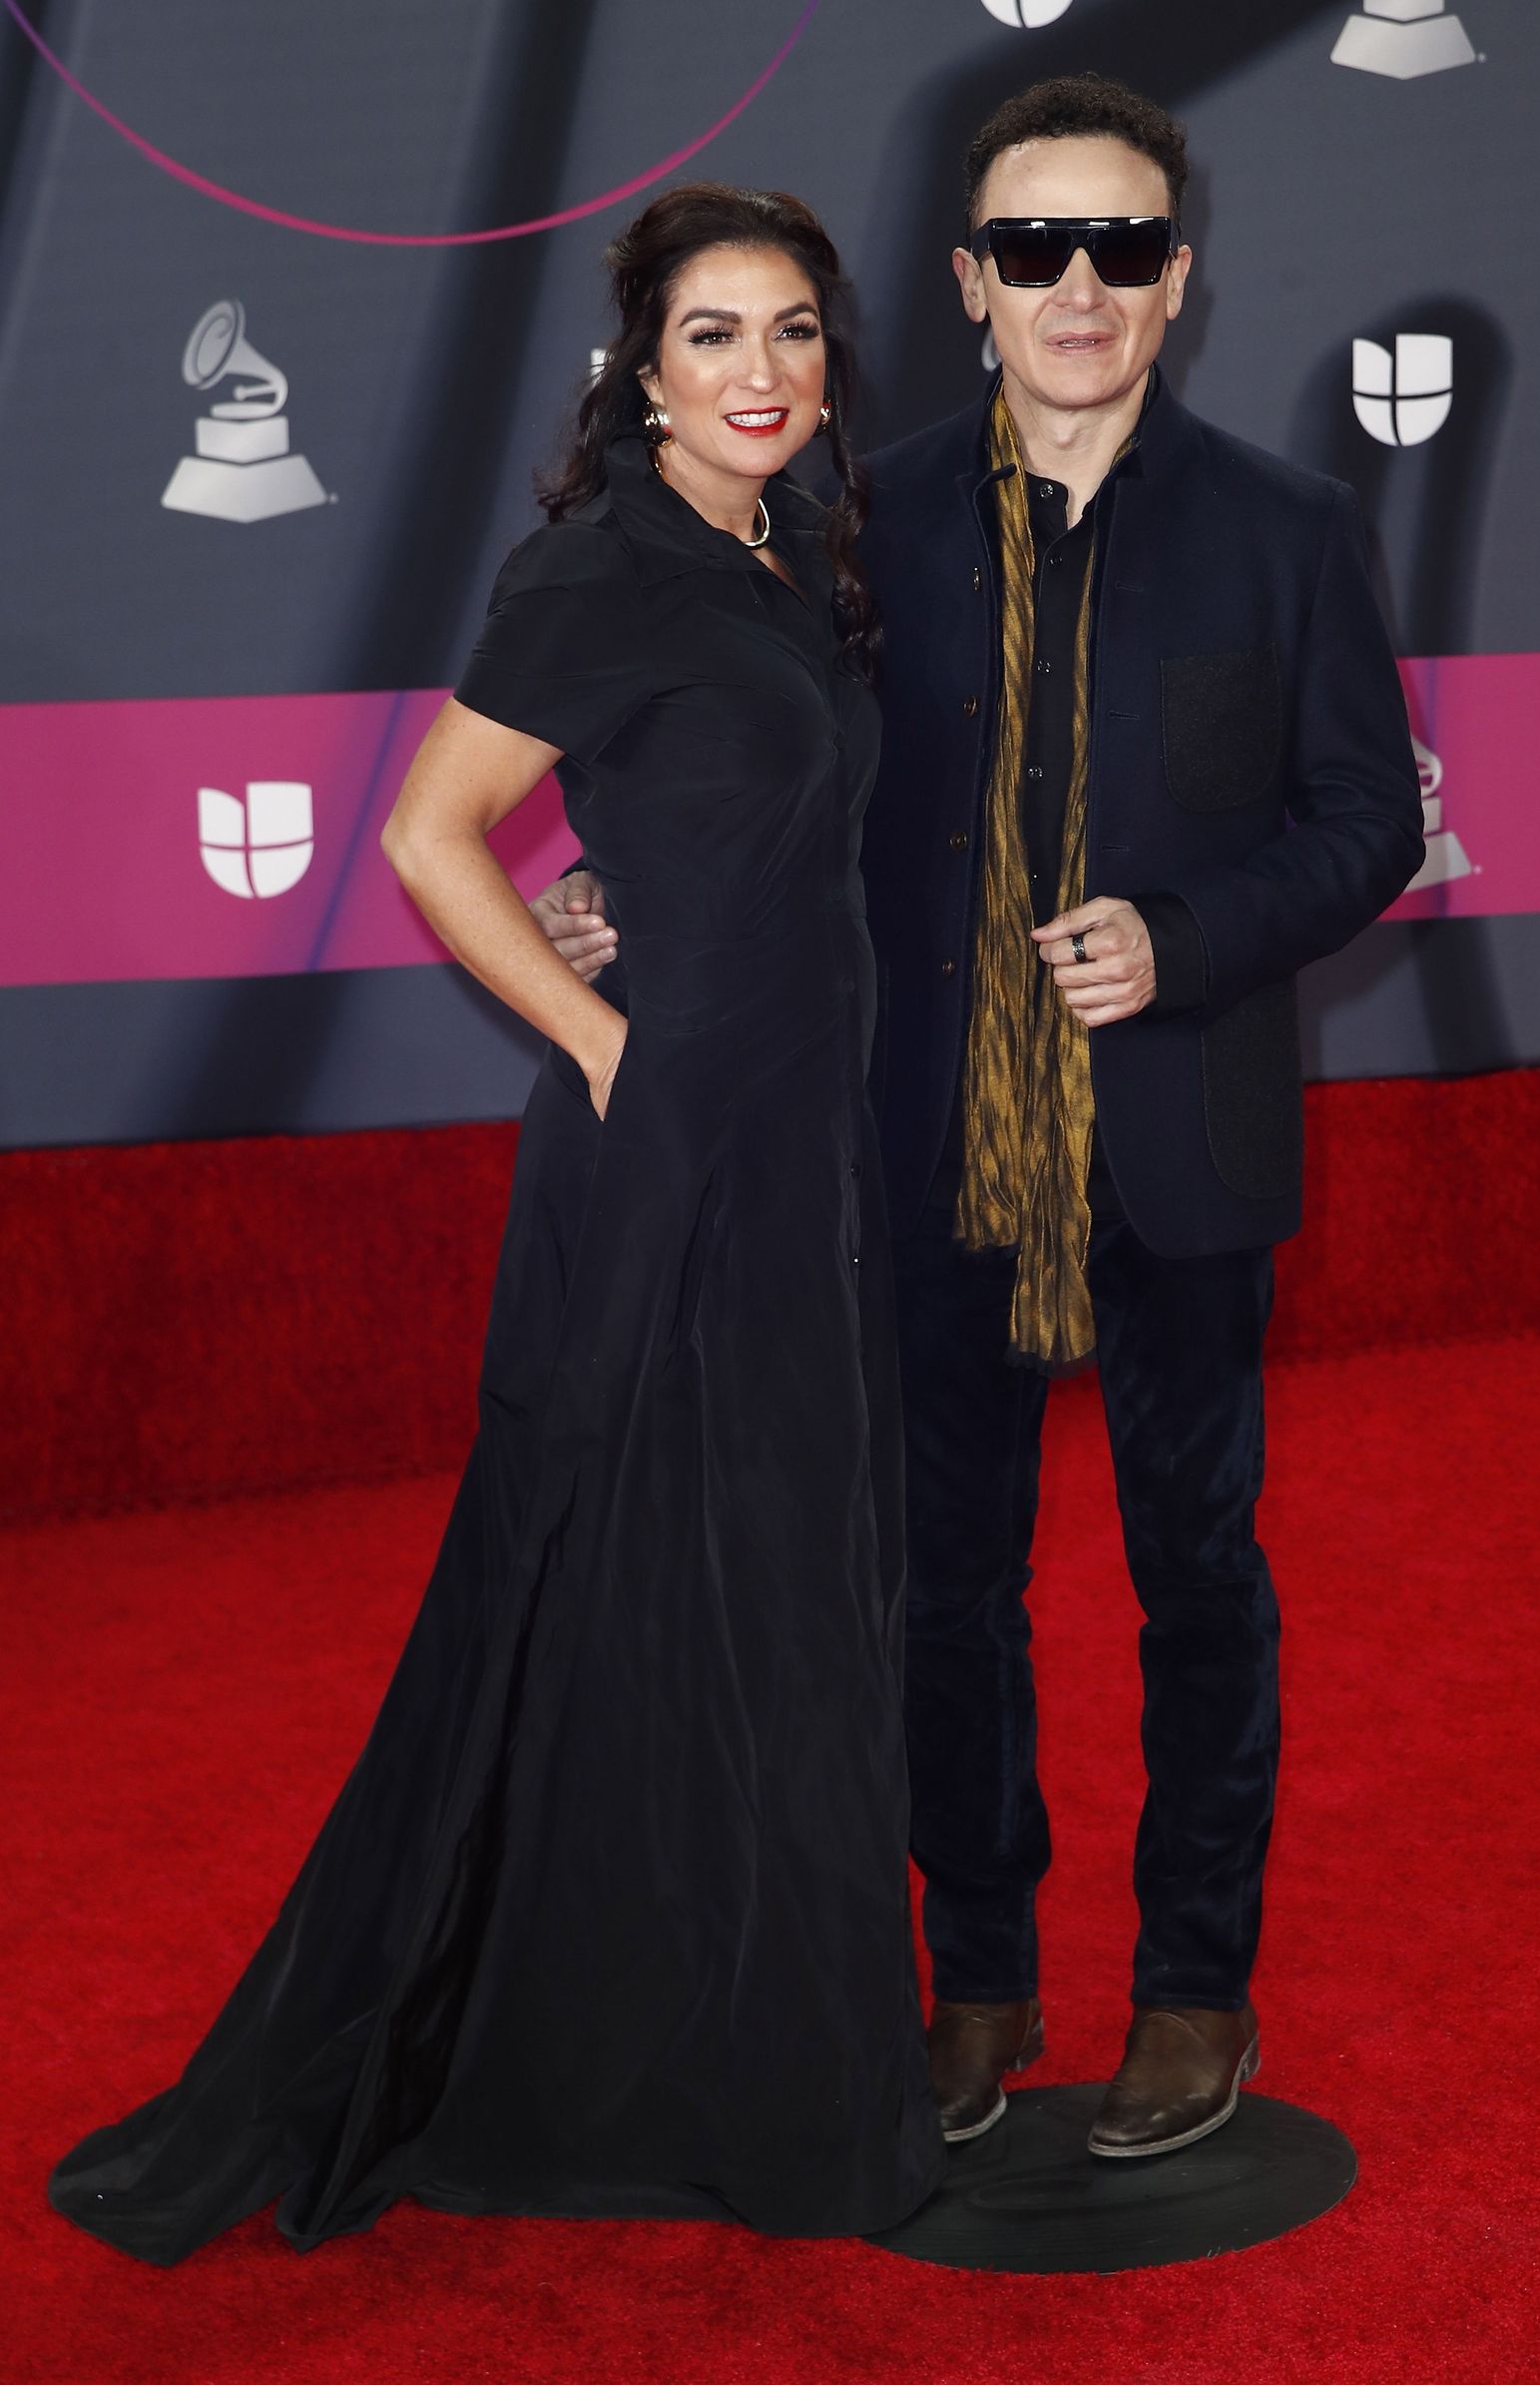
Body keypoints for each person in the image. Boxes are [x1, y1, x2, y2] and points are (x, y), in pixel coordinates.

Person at [49, 184, 945, 2265]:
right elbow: (427, 836)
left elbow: (713, 831)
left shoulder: (785, 555)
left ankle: (731, 2047)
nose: (762, 373)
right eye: (713, 336)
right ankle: (643, 2068)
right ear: (640, 369)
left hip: (798, 1140)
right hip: (672, 1156)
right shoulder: (608, 564)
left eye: (794, 333)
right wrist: (603, 1038)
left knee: (758, 1602)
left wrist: (624, 901)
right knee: (640, 1583)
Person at [542, 78, 1424, 2161]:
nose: (1078, 287)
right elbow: (749, 767)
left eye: (1120, 246)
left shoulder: (1288, 531)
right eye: (1033, 247)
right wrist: (625, 883)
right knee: (941, 1587)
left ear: (1174, 277)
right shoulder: (860, 521)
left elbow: (1366, 820)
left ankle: (1192, 1987)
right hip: (917, 1147)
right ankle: (980, 1984)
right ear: (965, 283)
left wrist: (1188, 936)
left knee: (1193, 1573)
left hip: (1178, 1144)